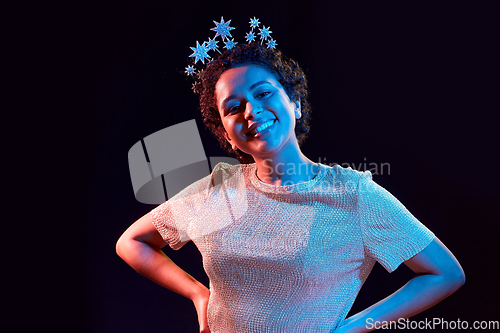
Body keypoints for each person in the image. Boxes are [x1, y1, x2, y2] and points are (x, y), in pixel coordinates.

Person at [116, 40, 465, 332]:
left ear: (294, 104)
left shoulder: (352, 194)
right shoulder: (218, 189)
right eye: (233, 108)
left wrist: (352, 328)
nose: (251, 111)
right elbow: (132, 243)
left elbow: (445, 273)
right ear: (227, 135)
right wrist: (198, 294)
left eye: (264, 92)